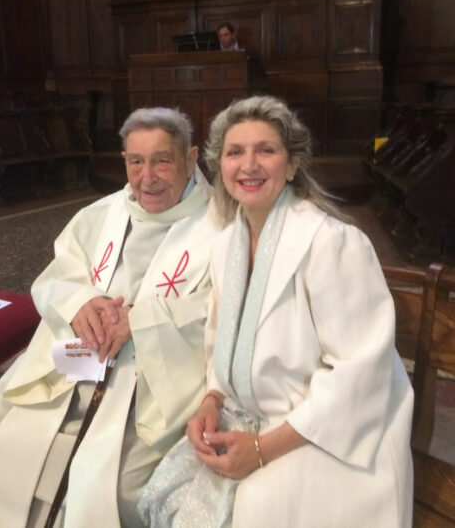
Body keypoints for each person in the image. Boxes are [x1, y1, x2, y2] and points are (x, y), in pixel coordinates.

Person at [138, 95, 414, 527]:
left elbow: (360, 374)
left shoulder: (332, 243)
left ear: (291, 165)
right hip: (245, 418)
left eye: (265, 150)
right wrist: (212, 398)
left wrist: (264, 448)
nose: (248, 165)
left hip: (321, 433)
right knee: (162, 497)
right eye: (235, 152)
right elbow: (219, 338)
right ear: (219, 166)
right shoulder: (226, 243)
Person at [0, 107, 221, 528]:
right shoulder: (101, 214)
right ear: (124, 160)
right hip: (74, 357)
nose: (147, 177)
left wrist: (141, 320)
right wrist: (81, 302)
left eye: (162, 160)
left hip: (152, 377)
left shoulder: (221, 226)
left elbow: (220, 307)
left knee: (100, 481)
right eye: (136, 162)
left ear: (191, 159)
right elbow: (57, 277)